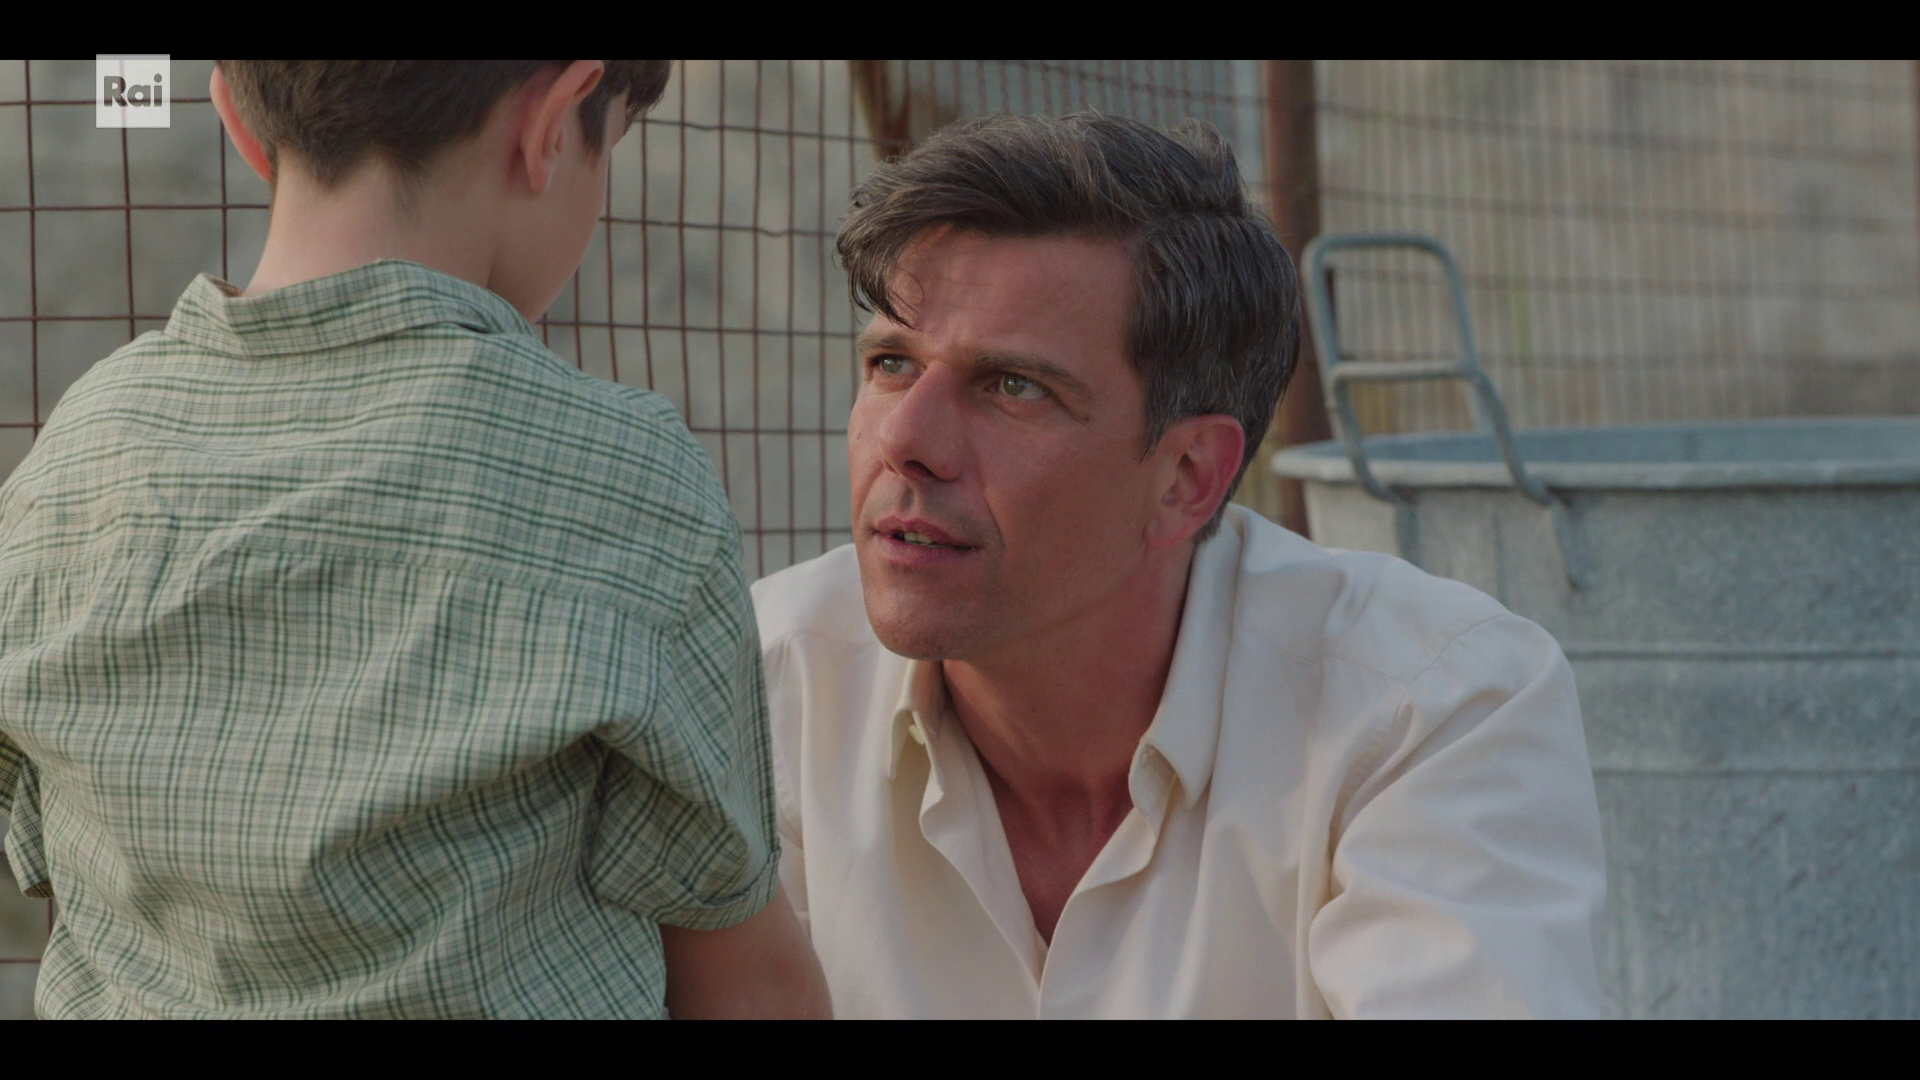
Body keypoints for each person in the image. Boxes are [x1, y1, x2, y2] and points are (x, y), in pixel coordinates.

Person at [0, 60, 828, 1019]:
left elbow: (55, 866)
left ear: (237, 117)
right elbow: (746, 984)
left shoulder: (68, 465)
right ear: (553, 123)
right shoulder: (625, 479)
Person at [752, 112, 1606, 1019]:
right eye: (891, 363)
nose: (904, 439)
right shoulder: (761, 685)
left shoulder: (1427, 709)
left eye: (1012, 386)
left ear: (1188, 477)